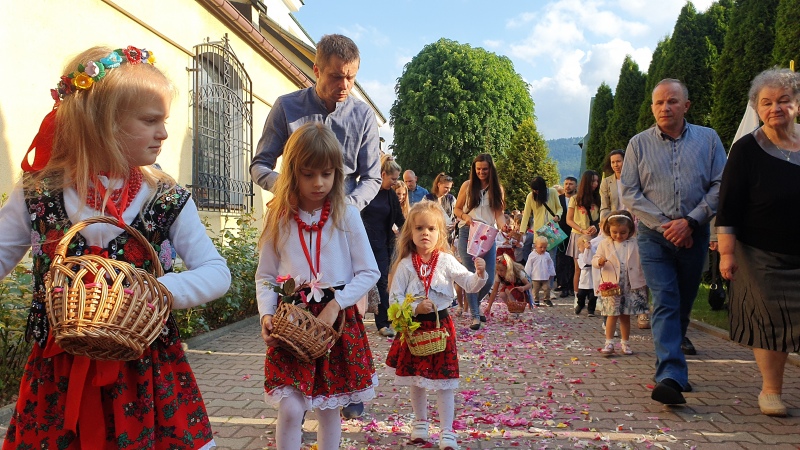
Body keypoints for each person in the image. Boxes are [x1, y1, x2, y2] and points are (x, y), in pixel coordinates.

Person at [1, 45, 231, 449]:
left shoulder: (165, 197)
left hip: (145, 373)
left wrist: (156, 291)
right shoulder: (39, 193)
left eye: (164, 121)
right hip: (58, 372)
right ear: (102, 123)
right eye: (150, 120)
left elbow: (216, 272)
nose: (163, 133)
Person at [256, 123, 381, 450]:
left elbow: (369, 271)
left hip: (334, 323)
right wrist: (266, 314)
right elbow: (265, 275)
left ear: (337, 173)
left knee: (328, 409)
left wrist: (337, 304)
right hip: (292, 322)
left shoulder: (346, 214)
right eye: (308, 174)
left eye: (326, 174)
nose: (318, 183)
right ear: (292, 172)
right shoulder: (278, 217)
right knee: (290, 407)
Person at [620, 78, 726, 405]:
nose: (665, 107)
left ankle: (671, 368)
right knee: (665, 298)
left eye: (672, 101)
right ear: (652, 108)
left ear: (686, 105)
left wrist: (691, 221)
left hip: (695, 233)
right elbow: (629, 192)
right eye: (659, 102)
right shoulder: (638, 144)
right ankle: (671, 375)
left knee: (684, 301)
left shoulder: (708, 140)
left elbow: (721, 184)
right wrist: (667, 225)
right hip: (654, 237)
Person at [716, 68, 800, 417]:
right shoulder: (746, 149)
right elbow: (728, 205)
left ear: (797, 104)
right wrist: (726, 253)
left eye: (783, 100)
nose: (775, 108)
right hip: (760, 252)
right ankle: (771, 390)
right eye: (766, 102)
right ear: (757, 108)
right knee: (769, 322)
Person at [385, 201, 487, 450]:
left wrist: (480, 274)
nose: (425, 233)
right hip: (414, 329)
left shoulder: (446, 260)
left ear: (441, 232)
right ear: (410, 232)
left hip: (441, 328)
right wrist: (414, 308)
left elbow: (469, 284)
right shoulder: (405, 265)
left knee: (445, 381)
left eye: (431, 228)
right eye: (419, 228)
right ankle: (420, 423)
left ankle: (447, 431)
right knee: (416, 379)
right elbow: (394, 299)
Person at [250, 34, 381, 211]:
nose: (345, 85)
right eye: (336, 77)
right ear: (317, 71)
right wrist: (287, 187)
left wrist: (348, 206)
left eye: (351, 78)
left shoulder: (364, 116)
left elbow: (372, 178)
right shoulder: (286, 107)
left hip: (342, 215)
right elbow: (259, 165)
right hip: (294, 213)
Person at [453, 153, 507, 330]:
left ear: (491, 169)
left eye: (485, 169)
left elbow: (498, 215)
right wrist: (466, 217)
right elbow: (457, 209)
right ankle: (475, 316)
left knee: (488, 278)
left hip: (487, 234)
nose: (481, 172)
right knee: (471, 274)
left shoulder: (497, 189)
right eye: (478, 169)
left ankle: (474, 304)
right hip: (468, 231)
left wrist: (504, 227)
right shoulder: (467, 186)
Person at [599, 149, 650, 330]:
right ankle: (613, 307)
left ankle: (642, 309)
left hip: (634, 223)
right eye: (613, 162)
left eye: (619, 161)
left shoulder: (635, 178)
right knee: (614, 266)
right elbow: (604, 206)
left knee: (638, 266)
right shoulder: (606, 182)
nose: (616, 165)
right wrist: (607, 222)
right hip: (615, 225)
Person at [592, 211, 648, 357]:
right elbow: (595, 258)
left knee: (625, 315)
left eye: (623, 232)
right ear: (608, 230)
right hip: (612, 286)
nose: (618, 236)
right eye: (614, 232)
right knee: (611, 314)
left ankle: (625, 342)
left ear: (630, 230)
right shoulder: (605, 244)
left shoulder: (635, 243)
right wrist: (599, 262)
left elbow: (642, 261)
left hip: (629, 285)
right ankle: (609, 342)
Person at [362, 154, 406, 337]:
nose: (395, 183)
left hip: (382, 245)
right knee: (358, 281)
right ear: (382, 175)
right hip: (362, 244)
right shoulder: (366, 191)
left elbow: (400, 220)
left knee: (382, 282)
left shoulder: (391, 196)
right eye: (393, 179)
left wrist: (411, 232)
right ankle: (352, 320)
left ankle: (383, 323)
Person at [565, 170, 601, 299]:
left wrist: (596, 227)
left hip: (595, 236)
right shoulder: (575, 199)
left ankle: (595, 296)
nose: (595, 184)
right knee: (579, 268)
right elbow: (569, 220)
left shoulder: (599, 198)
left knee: (596, 267)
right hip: (578, 236)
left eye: (597, 181)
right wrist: (581, 230)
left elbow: (602, 218)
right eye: (593, 181)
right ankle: (577, 296)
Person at [519, 176, 562, 268]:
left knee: (551, 258)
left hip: (552, 228)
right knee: (538, 258)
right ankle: (538, 277)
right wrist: (522, 232)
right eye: (534, 190)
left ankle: (550, 277)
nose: (536, 192)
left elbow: (559, 208)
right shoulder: (530, 196)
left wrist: (557, 216)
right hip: (539, 231)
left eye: (537, 190)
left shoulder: (552, 192)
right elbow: (526, 215)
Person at [556, 176, 577, 298]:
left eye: (571, 184)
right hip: (560, 233)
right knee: (561, 260)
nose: (568, 186)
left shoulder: (578, 199)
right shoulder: (558, 199)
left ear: (576, 186)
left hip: (574, 232)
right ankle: (563, 286)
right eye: (566, 184)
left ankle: (571, 286)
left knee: (573, 260)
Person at [424, 172, 457, 245]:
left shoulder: (451, 198)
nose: (448, 190)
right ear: (439, 185)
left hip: (449, 236)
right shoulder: (427, 198)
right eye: (446, 187)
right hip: (433, 234)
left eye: (449, 188)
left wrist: (456, 223)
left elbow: (458, 212)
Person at [525, 236, 556, 307]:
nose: (543, 249)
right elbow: (529, 265)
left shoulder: (547, 255)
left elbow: (550, 264)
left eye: (545, 247)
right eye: (540, 247)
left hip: (545, 276)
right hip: (535, 277)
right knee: (535, 290)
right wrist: (527, 274)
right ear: (535, 246)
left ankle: (547, 299)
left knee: (547, 288)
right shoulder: (532, 255)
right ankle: (536, 300)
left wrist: (551, 273)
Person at [574, 236, 597, 316]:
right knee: (580, 295)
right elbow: (584, 265)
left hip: (593, 281)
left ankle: (591, 310)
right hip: (584, 281)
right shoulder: (580, 256)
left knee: (593, 297)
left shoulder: (594, 254)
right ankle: (580, 304)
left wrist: (589, 249)